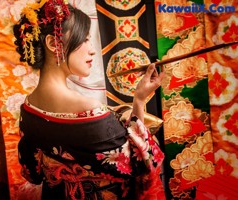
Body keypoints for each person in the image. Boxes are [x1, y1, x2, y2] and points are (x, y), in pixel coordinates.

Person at [13, 0, 165, 199]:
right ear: (52, 43)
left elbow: (31, 172)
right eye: (84, 39)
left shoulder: (29, 106)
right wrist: (139, 102)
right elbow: (142, 164)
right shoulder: (88, 110)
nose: (92, 49)